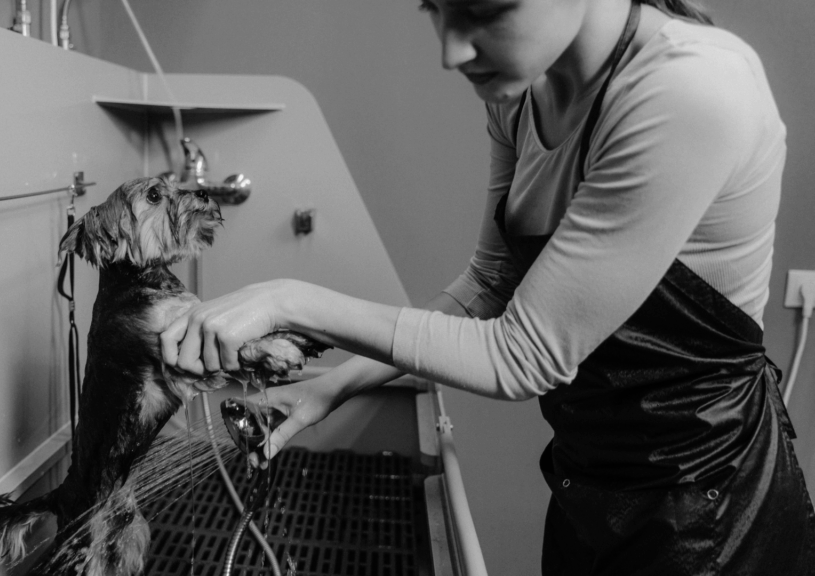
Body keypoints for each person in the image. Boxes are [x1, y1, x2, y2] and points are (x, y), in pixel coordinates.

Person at [160, 0, 815, 573]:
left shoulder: (689, 89)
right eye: (434, 8)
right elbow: (489, 283)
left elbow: (523, 355)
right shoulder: (522, 99)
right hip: (587, 485)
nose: (452, 49)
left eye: (484, 9)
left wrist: (287, 299)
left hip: (707, 511)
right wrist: (330, 386)